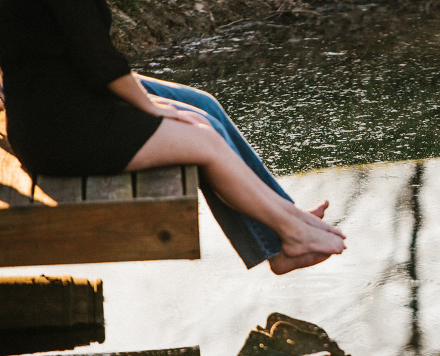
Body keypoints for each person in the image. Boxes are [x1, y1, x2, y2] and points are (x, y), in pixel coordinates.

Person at [0, 0, 345, 274]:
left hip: (62, 100)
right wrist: (148, 105)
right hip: (61, 127)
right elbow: (99, 61)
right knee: (203, 139)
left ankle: (284, 222)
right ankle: (291, 234)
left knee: (198, 108)